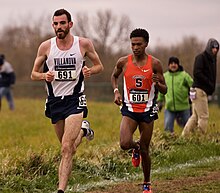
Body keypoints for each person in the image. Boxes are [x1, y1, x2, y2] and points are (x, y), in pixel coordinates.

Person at [30, 9, 104, 193]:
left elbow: (99, 66)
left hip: (75, 99)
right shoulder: (46, 47)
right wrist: (43, 76)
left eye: (62, 23)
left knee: (65, 148)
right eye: (55, 24)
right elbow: (33, 74)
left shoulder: (83, 44)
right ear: (52, 25)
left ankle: (60, 190)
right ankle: (84, 129)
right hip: (55, 101)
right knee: (69, 148)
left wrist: (90, 71)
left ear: (70, 24)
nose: (59, 27)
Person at [111, 28, 167, 193]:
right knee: (124, 143)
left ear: (146, 44)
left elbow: (165, 90)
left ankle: (147, 183)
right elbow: (114, 76)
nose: (135, 47)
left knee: (145, 148)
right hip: (129, 109)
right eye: (133, 44)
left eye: (139, 44)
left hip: (147, 110)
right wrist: (116, 91)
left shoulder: (155, 64)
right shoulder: (124, 62)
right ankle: (134, 148)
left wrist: (158, 83)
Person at [181, 38, 219, 137]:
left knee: (195, 116)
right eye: (213, 47)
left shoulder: (213, 59)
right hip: (199, 90)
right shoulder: (201, 57)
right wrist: (209, 83)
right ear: (209, 47)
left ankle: (185, 136)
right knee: (204, 116)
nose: (215, 50)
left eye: (217, 48)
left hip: (201, 91)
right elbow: (197, 73)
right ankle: (200, 138)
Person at [157, 56, 193, 134]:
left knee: (188, 128)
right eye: (171, 63)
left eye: (175, 63)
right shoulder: (165, 76)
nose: (173, 65)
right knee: (167, 129)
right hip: (169, 108)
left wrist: (192, 97)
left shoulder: (184, 75)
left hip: (184, 107)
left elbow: (192, 85)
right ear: (168, 65)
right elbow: (161, 90)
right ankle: (170, 142)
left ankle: (189, 141)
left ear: (178, 65)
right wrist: (159, 101)